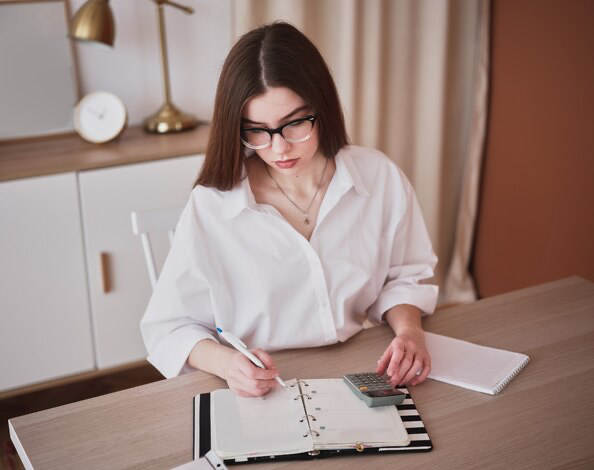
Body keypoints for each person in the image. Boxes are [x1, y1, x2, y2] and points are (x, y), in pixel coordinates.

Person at [140, 22, 438, 398]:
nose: (279, 149)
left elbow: (404, 276)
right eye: (257, 130)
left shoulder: (377, 177)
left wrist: (409, 332)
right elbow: (169, 327)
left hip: (362, 371)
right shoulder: (214, 205)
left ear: (322, 108)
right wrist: (228, 365)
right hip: (265, 388)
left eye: (295, 124)